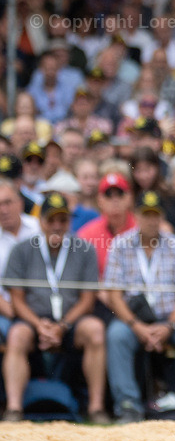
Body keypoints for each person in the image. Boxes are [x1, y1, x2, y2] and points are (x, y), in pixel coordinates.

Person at [103, 190, 175, 423]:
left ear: (162, 216)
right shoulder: (120, 245)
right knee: (116, 336)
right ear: (136, 215)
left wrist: (169, 325)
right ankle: (128, 405)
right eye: (146, 214)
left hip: (171, 319)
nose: (151, 220)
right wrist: (136, 326)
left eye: (155, 214)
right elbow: (114, 295)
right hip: (134, 320)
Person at [1, 193, 107, 423]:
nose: (57, 225)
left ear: (69, 221)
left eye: (63, 220)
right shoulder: (22, 250)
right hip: (33, 320)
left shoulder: (85, 249)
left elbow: (88, 299)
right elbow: (17, 299)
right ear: (41, 221)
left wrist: (63, 326)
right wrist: (39, 325)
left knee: (95, 330)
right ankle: (14, 408)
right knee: (16, 335)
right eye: (51, 220)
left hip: (71, 321)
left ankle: (96, 407)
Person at [0, 179, 41, 341]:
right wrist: (11, 310)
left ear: (20, 203)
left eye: (7, 203)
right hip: (8, 311)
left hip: (43, 306)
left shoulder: (39, 228)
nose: (3, 210)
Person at [77, 173, 136, 277]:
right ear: (99, 200)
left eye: (120, 194)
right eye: (108, 195)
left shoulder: (142, 229)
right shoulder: (87, 235)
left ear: (129, 198)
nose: (115, 200)